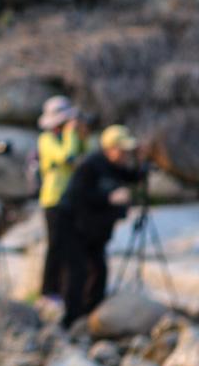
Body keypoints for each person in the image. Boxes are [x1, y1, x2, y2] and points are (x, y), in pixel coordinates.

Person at [56, 124, 144, 329]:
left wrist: (141, 160)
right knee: (77, 270)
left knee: (99, 269)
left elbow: (134, 176)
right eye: (123, 150)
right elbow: (79, 195)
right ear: (110, 148)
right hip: (73, 226)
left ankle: (92, 313)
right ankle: (71, 319)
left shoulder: (114, 166)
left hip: (93, 231)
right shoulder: (91, 165)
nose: (125, 155)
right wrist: (109, 198)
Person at [36, 95, 87, 304]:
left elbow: (84, 154)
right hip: (53, 199)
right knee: (55, 245)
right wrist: (70, 134)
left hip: (71, 199)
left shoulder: (68, 136)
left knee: (70, 247)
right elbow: (67, 156)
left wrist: (81, 134)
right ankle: (49, 290)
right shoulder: (46, 139)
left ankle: (67, 290)